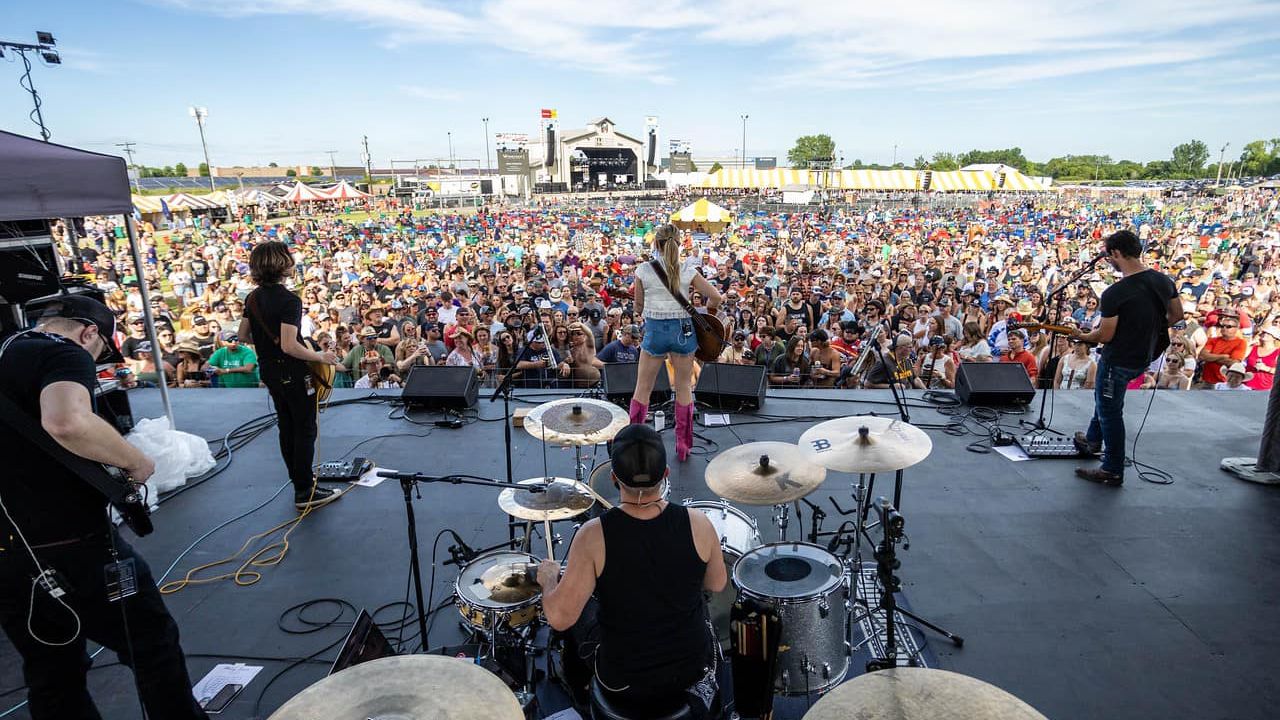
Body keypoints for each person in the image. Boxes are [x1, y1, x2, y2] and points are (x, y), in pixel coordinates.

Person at [0, 295, 209, 719]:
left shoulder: (6, 349)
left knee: (51, 667)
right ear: (89, 332)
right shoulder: (62, 352)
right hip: (74, 543)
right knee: (152, 644)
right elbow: (66, 421)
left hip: (7, 555)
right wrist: (136, 462)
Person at [537, 424, 725, 717]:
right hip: (690, 673)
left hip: (624, 685)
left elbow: (559, 618)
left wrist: (549, 580)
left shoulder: (593, 535)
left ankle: (578, 693)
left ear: (613, 478)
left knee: (579, 610)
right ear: (665, 474)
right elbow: (716, 583)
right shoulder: (698, 523)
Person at [1072, 230, 1181, 487]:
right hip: (1143, 356)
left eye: (1107, 254)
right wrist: (1147, 330)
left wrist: (1082, 335)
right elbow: (1176, 315)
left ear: (1116, 253)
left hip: (1117, 359)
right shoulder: (1163, 280)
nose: (1107, 259)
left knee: (1110, 411)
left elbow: (1106, 335)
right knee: (1104, 400)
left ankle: (1111, 468)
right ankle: (1092, 440)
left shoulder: (1114, 293)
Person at [241, 241, 344, 512]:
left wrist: (266, 343)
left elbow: (243, 335)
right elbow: (289, 345)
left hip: (270, 370)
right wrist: (321, 357)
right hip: (292, 372)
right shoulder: (289, 300)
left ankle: (299, 482)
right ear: (281, 263)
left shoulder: (251, 298)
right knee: (305, 427)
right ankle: (305, 491)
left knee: (286, 426)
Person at [629, 224, 723, 461]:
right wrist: (703, 311)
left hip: (655, 332)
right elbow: (716, 297)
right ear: (679, 245)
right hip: (683, 332)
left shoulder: (643, 270)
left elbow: (638, 307)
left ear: (656, 244)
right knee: (683, 388)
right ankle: (683, 446)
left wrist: (647, 307)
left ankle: (635, 440)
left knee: (643, 388)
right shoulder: (687, 270)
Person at [1198, 312, 1247, 387]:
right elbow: (1202, 356)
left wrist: (1211, 357)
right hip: (1208, 380)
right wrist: (1222, 357)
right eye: (1223, 326)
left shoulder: (1241, 342)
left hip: (1224, 382)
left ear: (1236, 328)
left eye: (1228, 326)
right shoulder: (1212, 340)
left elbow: (1233, 363)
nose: (1224, 328)